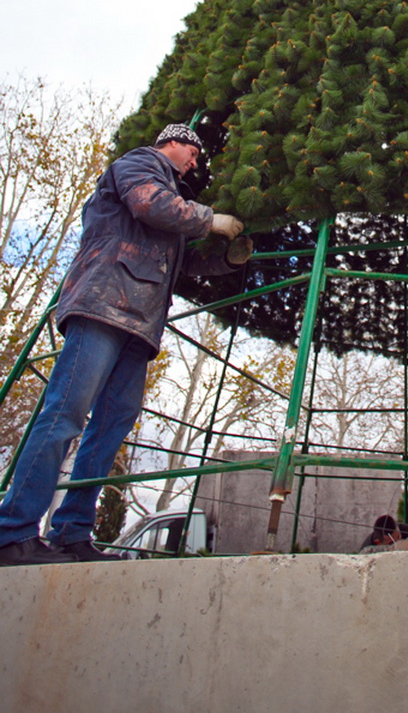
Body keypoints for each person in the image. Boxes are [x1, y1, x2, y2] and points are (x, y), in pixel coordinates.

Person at [0, 123, 252, 567]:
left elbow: (180, 262)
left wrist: (224, 258)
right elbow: (148, 205)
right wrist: (208, 218)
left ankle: (72, 533)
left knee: (110, 429)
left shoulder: (171, 196)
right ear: (171, 143)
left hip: (140, 325)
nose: (194, 163)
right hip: (103, 304)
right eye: (192, 152)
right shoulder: (139, 166)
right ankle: (12, 533)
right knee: (65, 415)